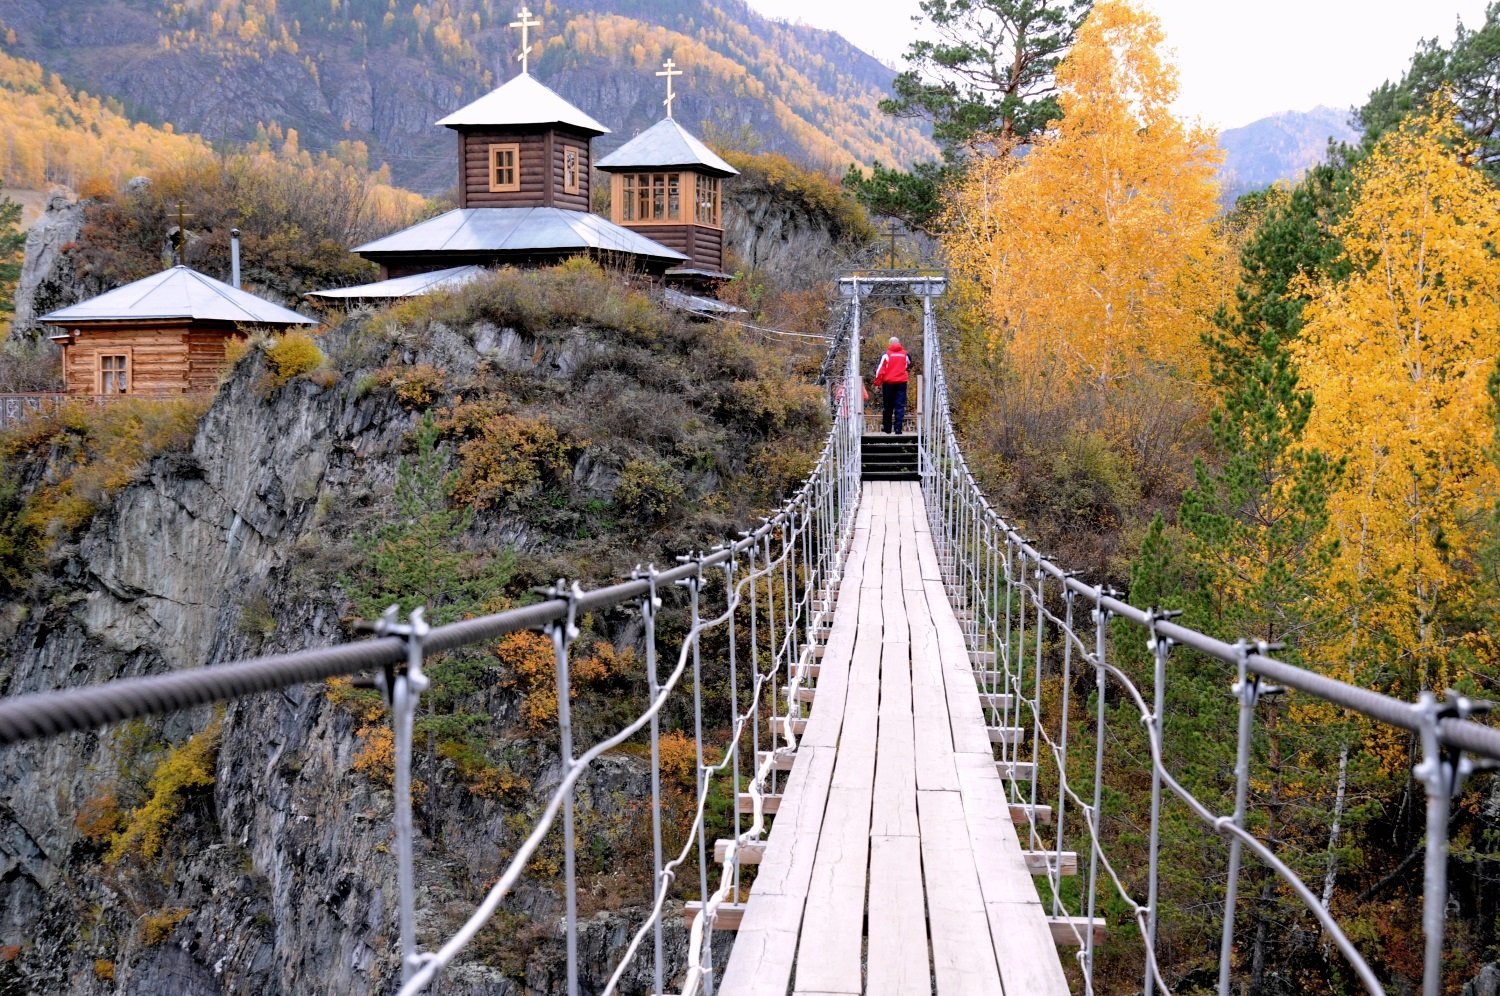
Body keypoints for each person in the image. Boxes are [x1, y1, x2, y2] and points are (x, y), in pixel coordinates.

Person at [872, 336, 910, 434]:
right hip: (901, 383)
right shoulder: (905, 354)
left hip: (888, 383)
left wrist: (877, 384)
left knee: (888, 406)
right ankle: (898, 429)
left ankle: (887, 428)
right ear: (899, 343)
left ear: (890, 344)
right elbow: (908, 364)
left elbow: (880, 371)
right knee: (900, 406)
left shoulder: (886, 354)